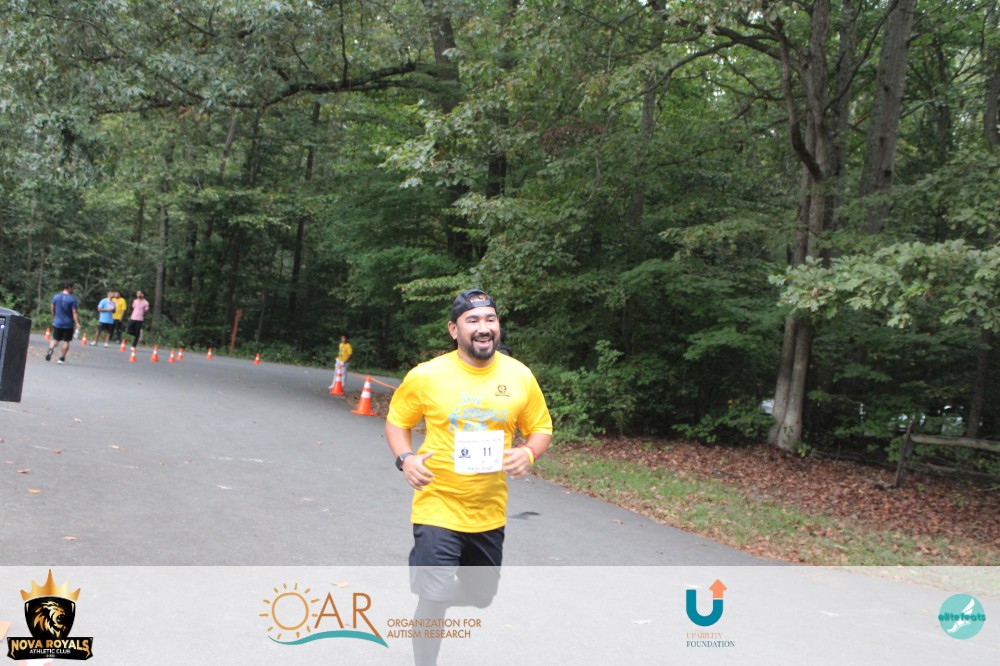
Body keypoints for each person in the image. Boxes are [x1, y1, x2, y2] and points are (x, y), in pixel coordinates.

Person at [385, 289, 552, 666]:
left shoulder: (519, 375)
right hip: (437, 502)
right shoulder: (427, 375)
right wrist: (406, 458)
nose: (483, 327)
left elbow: (541, 427)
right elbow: (397, 422)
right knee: (435, 595)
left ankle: (436, 593)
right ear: (453, 329)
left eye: (490, 319)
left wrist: (528, 452)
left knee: (481, 596)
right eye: (472, 320)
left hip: (488, 510)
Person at [46, 281, 81, 364]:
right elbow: (74, 312)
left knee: (55, 339)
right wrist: (77, 323)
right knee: (66, 341)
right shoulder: (72, 299)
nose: (73, 289)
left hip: (57, 322)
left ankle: (50, 349)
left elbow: (52, 308)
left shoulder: (56, 297)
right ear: (69, 288)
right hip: (68, 324)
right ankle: (61, 358)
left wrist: (54, 316)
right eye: (72, 288)